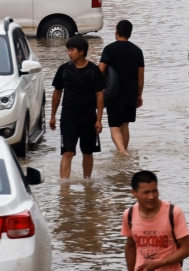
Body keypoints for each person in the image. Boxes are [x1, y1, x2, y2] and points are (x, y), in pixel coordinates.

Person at [49, 36, 104, 178]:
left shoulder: (93, 71)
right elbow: (57, 92)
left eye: (72, 50)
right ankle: (64, 187)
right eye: (68, 50)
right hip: (68, 118)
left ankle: (87, 183)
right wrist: (52, 116)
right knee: (68, 152)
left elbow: (100, 96)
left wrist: (99, 119)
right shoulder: (64, 70)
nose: (69, 53)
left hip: (88, 118)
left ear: (81, 52)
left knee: (88, 152)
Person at [99, 20, 144, 155]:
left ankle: (122, 151)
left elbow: (101, 70)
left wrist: (98, 88)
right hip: (131, 92)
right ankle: (124, 152)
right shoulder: (137, 51)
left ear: (116, 32)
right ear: (130, 34)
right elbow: (140, 77)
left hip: (114, 93)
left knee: (114, 126)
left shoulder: (109, 49)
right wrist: (139, 95)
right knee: (125, 125)